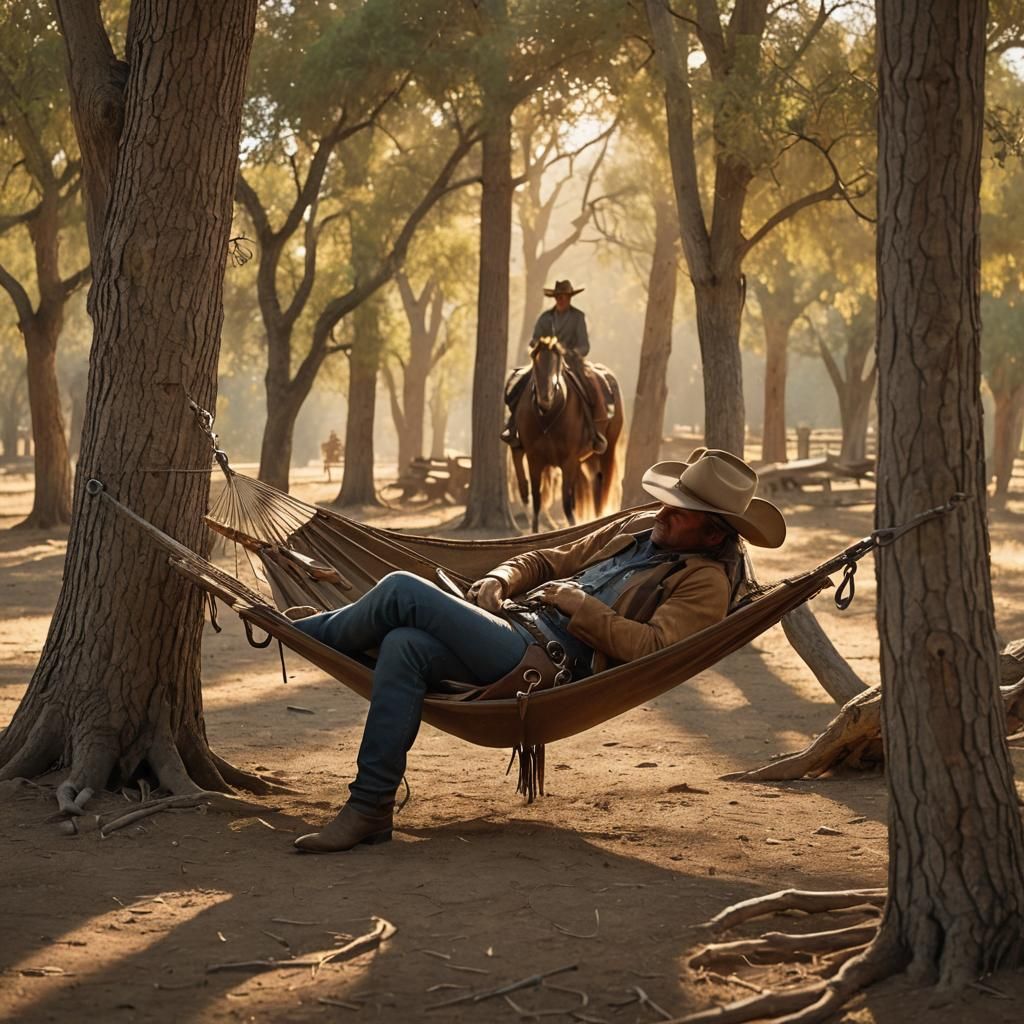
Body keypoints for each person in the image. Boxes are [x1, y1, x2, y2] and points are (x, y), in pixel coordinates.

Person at [289, 449, 786, 853]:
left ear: (714, 532)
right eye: (667, 502)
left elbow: (652, 649)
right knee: (404, 645)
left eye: (680, 513)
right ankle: (370, 808)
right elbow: (550, 558)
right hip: (511, 626)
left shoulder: (705, 583)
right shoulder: (633, 532)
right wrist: (501, 575)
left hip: (545, 661)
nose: (663, 513)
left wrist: (581, 606)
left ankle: (306, 634)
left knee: (402, 589)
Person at [502, 279, 607, 452]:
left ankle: (594, 432)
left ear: (570, 297)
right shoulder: (545, 318)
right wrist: (534, 350)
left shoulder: (578, 317)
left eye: (564, 296)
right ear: (555, 297)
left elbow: (584, 345)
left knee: (591, 387)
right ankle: (512, 427)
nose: (561, 299)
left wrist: (572, 353)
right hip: (545, 362)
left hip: (572, 363)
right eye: (558, 296)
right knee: (519, 384)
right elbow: (533, 341)